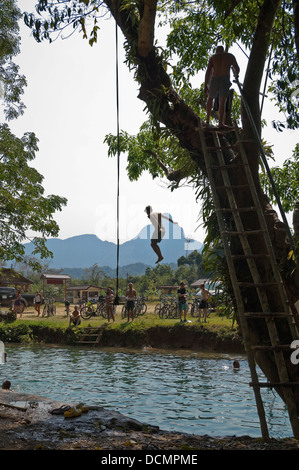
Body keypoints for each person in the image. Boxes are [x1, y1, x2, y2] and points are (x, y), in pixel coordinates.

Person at [204, 45, 240, 129]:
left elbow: (208, 71)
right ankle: (220, 123)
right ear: (223, 51)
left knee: (210, 98)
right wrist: (236, 74)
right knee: (222, 102)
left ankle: (207, 121)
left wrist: (206, 85)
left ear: (216, 51)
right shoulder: (230, 56)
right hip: (225, 79)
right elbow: (237, 68)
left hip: (215, 79)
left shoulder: (213, 57)